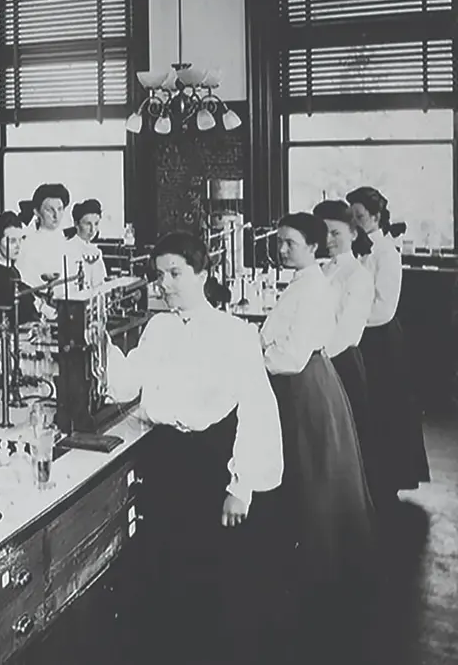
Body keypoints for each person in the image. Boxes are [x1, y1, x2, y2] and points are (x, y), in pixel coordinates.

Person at [105, 231, 284, 665]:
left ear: (202, 274)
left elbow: (258, 411)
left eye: (175, 273)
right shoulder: (158, 328)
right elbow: (125, 385)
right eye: (159, 275)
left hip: (211, 460)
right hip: (164, 456)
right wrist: (100, 340)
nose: (164, 284)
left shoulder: (235, 333)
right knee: (166, 564)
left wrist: (241, 486)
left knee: (211, 568)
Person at [262, 213, 377, 660]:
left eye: (289, 243)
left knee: (313, 475)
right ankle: (307, 566)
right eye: (279, 242)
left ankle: (314, 574)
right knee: (310, 476)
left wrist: (256, 354)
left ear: (313, 247)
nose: (281, 250)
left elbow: (291, 355)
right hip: (303, 382)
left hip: (304, 386)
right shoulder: (304, 282)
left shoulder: (312, 289)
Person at [346, 186, 430, 504]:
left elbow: (384, 309)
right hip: (362, 338)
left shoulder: (387, 254)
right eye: (352, 217)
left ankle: (387, 483)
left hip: (380, 341)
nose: (355, 222)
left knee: (385, 411)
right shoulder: (357, 249)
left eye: (360, 216)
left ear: (376, 217)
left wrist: (349, 320)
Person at [314, 200, 381, 507]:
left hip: (340, 363)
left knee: (347, 447)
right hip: (320, 363)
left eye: (335, 233)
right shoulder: (323, 269)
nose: (328, 240)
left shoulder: (358, 276)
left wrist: (316, 356)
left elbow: (346, 332)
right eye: (323, 232)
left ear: (354, 233)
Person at [17, 183, 77, 288]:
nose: (56, 215)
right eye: (49, 210)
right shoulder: (27, 244)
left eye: (60, 209)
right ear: (37, 212)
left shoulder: (68, 243)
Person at [66, 199, 108, 288]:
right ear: (76, 224)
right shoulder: (68, 249)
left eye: (96, 224)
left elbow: (100, 282)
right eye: (88, 224)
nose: (93, 230)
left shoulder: (95, 251)